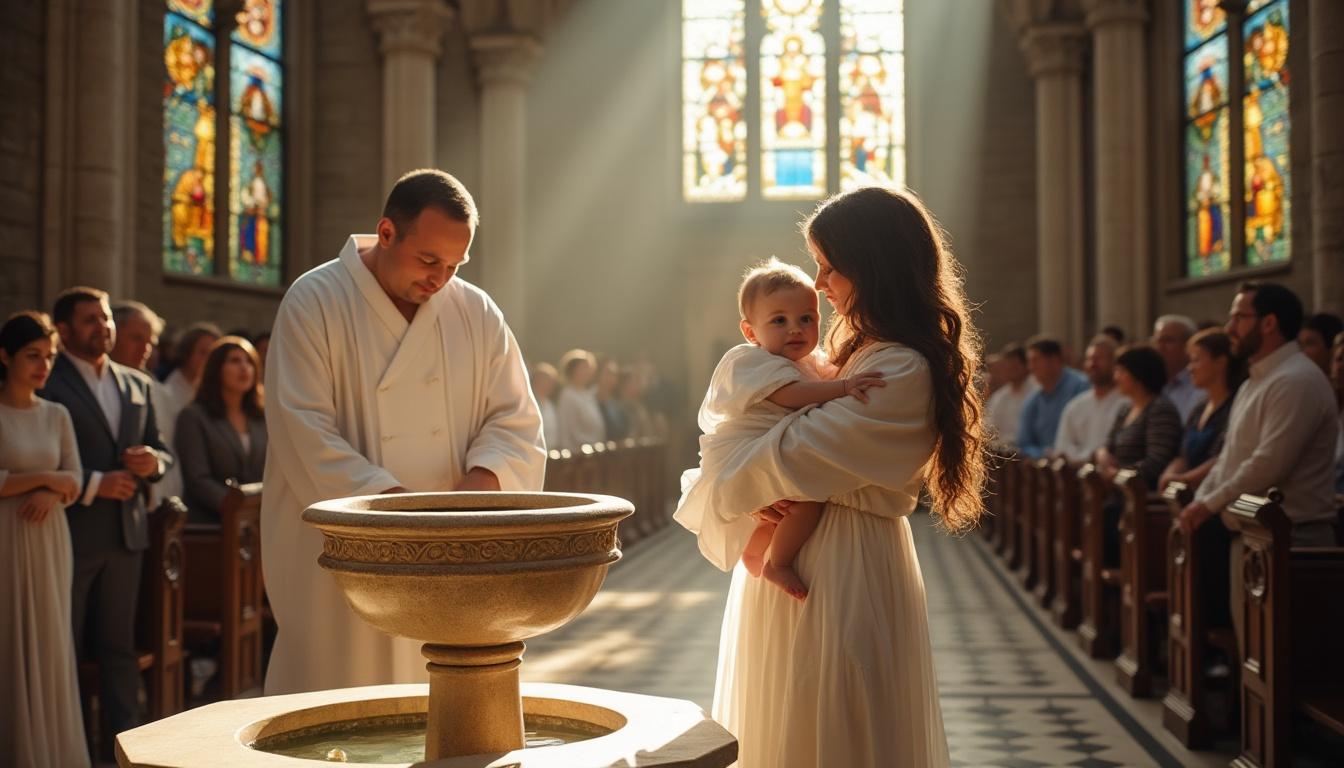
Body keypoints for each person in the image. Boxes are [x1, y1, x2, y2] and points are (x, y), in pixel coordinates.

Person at [694, 187, 986, 766]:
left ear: (872, 265)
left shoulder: (898, 366)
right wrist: (750, 482)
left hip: (846, 563)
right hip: (806, 554)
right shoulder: (850, 354)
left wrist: (732, 482)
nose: (819, 284)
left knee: (838, 723)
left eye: (830, 267)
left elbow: (793, 458)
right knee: (785, 717)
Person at [261, 169, 545, 695]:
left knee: (443, 706)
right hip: (347, 553)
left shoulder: (476, 310)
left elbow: (516, 417)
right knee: (341, 703)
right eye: (429, 260)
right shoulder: (315, 300)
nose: (441, 279)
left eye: (455, 265)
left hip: (452, 555)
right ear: (386, 233)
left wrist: (477, 492)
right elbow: (303, 429)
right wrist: (395, 513)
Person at [674, 258, 885, 601]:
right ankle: (779, 562)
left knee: (780, 510)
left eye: (806, 318)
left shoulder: (808, 361)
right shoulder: (752, 361)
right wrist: (844, 387)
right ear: (750, 331)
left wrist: (839, 375)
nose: (795, 329)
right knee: (805, 503)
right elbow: (791, 396)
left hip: (768, 446)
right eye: (779, 321)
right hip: (745, 447)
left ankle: (755, 552)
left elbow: (818, 380)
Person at [38, 287, 174, 753]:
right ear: (64, 329)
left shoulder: (136, 383)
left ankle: (125, 746)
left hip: (126, 533)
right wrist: (98, 481)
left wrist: (151, 462)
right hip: (69, 530)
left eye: (106, 318)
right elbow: (38, 455)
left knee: (120, 649)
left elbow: (164, 453)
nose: (103, 327)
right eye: (90, 319)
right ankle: (69, 743)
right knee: (65, 646)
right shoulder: (47, 382)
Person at [1179, 283, 1338, 654]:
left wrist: (1206, 505)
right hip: (1253, 539)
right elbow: (1231, 456)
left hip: (1291, 540)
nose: (1230, 326)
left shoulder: (1295, 380)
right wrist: (1200, 501)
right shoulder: (1256, 381)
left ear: (1268, 323)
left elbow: (1269, 463)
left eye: (1239, 317)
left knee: (1280, 663)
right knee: (1253, 659)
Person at [0, 312, 89, 768]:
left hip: (50, 536)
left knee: (49, 636)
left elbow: (74, 480)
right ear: (5, 356)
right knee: (9, 634)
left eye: (49, 356)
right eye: (33, 355)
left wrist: (48, 489)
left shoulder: (57, 414)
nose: (43, 365)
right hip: (6, 538)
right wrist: (44, 480)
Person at [174, 337, 267, 522]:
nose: (244, 367)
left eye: (249, 361)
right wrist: (235, 506)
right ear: (216, 369)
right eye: (234, 360)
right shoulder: (193, 417)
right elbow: (197, 478)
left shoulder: (262, 418)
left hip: (258, 522)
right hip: (211, 524)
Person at [110, 301, 180, 506]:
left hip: (154, 499)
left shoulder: (155, 389)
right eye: (136, 338)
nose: (145, 349)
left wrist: (154, 462)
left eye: (151, 342)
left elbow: (166, 451)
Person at [1159, 329, 1243, 493]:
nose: (1190, 368)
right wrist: (1169, 475)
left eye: (1196, 360)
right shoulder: (1200, 408)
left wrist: (1184, 479)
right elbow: (1182, 455)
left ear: (1220, 362)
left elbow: (1223, 458)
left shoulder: (1236, 405)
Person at [1053, 335, 1130, 463]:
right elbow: (1062, 447)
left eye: (1099, 359)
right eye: (1090, 359)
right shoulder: (1075, 406)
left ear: (1115, 363)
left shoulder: (1127, 403)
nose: (1093, 364)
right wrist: (1088, 457)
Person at [1016, 336, 1089, 458]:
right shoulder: (1033, 400)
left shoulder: (1081, 387)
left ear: (1054, 360)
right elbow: (1024, 443)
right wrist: (1043, 453)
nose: (1031, 367)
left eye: (1035, 360)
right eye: (1029, 361)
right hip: (1046, 468)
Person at [983, 343, 1036, 448]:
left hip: (1030, 452)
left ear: (1026, 366)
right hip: (1003, 452)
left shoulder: (1037, 392)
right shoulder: (1000, 396)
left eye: (1014, 366)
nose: (1009, 369)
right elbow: (989, 427)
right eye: (1007, 365)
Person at [1153, 315, 1205, 422]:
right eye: (1157, 341)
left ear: (1188, 345)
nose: (1160, 347)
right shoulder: (1150, 383)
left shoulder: (1201, 386)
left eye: (1168, 341)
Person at [555, 348, 606, 449]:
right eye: (583, 368)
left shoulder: (588, 395)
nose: (587, 372)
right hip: (577, 455)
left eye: (588, 368)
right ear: (572, 370)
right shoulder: (568, 395)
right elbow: (565, 429)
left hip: (595, 451)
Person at [529, 361, 560, 449]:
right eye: (545, 380)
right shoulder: (529, 402)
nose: (548, 384)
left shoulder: (550, 404)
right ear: (535, 380)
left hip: (551, 453)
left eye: (551, 381)